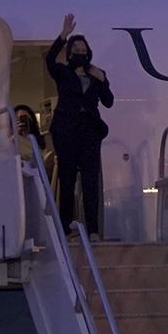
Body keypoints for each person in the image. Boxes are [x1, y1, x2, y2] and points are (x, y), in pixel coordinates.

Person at [44, 14, 113, 234]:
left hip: (89, 130)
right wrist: (63, 35)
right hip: (66, 130)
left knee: (90, 181)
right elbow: (49, 60)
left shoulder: (96, 74)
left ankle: (92, 229)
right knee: (67, 179)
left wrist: (102, 81)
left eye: (83, 51)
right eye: (76, 50)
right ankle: (64, 226)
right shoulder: (63, 72)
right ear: (70, 52)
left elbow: (108, 102)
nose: (80, 54)